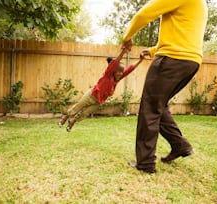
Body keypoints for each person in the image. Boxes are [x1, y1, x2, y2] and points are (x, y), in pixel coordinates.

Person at [122, 0, 208, 174]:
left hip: (171, 60)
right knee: (160, 107)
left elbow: (143, 15)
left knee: (150, 108)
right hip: (191, 62)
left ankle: (145, 163)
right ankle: (180, 145)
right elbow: (183, 34)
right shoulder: (200, 3)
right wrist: (154, 50)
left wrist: (127, 38)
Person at [59, 48, 147, 132]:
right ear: (113, 70)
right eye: (118, 71)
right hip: (91, 95)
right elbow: (114, 63)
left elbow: (130, 69)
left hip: (98, 101)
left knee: (85, 114)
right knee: (78, 107)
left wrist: (140, 60)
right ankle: (65, 117)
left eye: (121, 71)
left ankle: (72, 121)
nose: (120, 73)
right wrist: (123, 52)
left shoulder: (117, 79)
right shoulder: (108, 75)